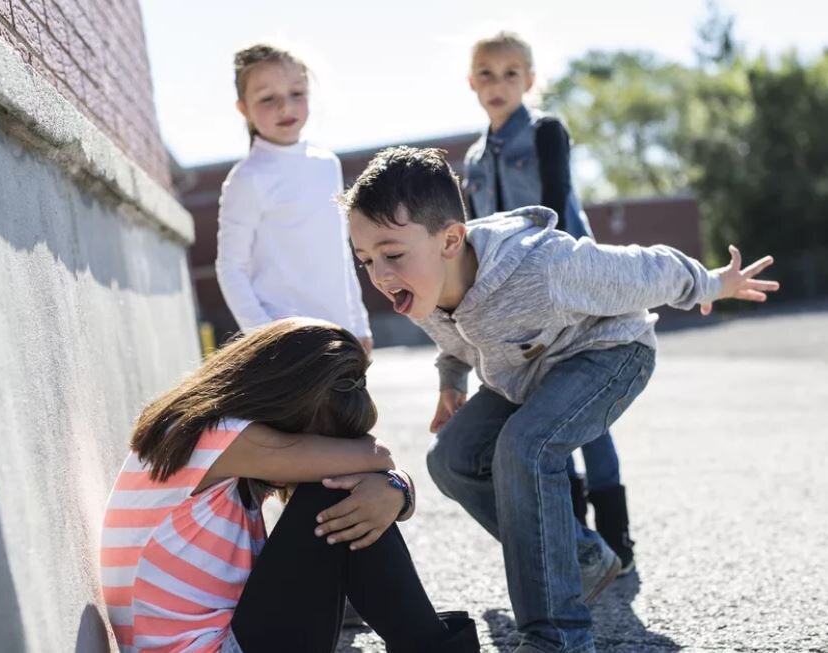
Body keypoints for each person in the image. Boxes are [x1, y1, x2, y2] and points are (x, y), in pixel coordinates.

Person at [342, 146, 778, 653]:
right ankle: (580, 557)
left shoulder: (542, 266)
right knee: (450, 459)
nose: (379, 275)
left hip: (610, 353)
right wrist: (451, 383)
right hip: (526, 373)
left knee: (524, 448)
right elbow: (455, 339)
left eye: (392, 255)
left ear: (450, 240)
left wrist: (711, 283)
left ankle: (559, 636)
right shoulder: (423, 285)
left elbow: (645, 269)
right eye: (365, 260)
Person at [100, 317, 480, 653]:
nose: (317, 457)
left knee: (345, 493)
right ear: (285, 400)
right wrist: (393, 484)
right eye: (317, 442)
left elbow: (378, 466)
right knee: (334, 492)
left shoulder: (207, 437)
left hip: (225, 640)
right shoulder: (214, 436)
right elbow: (377, 456)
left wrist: (396, 489)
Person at [463, 30, 632, 570]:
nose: (498, 84)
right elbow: (475, 235)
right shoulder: (473, 158)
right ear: (471, 82)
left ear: (530, 80)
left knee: (587, 417)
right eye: (487, 73)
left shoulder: (545, 132)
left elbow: (557, 205)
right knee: (546, 416)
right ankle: (581, 545)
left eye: (511, 73)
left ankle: (617, 539)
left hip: (570, 290)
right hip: (514, 305)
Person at [216, 44, 372, 354]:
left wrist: (359, 324)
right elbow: (230, 268)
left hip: (341, 336)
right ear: (243, 108)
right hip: (288, 345)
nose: (285, 107)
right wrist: (266, 338)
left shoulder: (327, 165)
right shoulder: (248, 178)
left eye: (296, 93)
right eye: (267, 98)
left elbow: (340, 252)